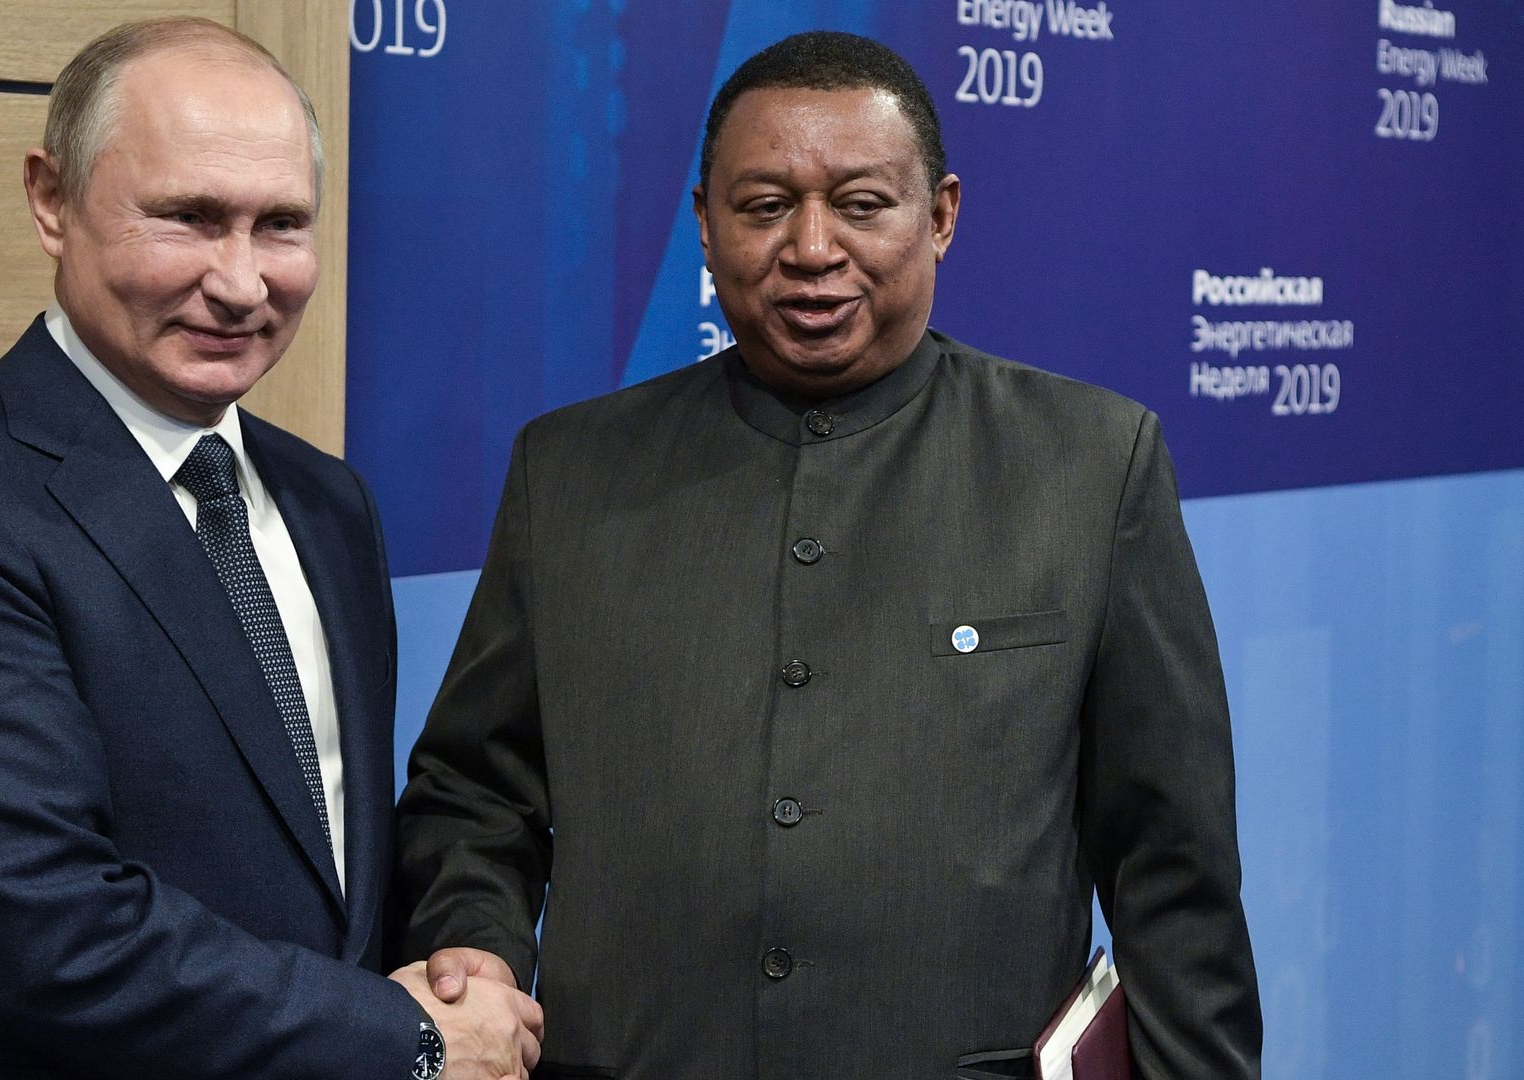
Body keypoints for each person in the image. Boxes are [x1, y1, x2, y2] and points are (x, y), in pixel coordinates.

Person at [394, 30, 1261, 1079]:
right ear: (705, 226)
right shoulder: (569, 472)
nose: (812, 249)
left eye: (861, 204)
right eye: (763, 206)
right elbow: (476, 791)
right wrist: (476, 954)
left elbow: (1174, 874)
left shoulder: (1092, 466)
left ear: (940, 216)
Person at [0, 18, 540, 1079]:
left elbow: (334, 868)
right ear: (53, 199)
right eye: (189, 218)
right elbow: (44, 937)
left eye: (281, 224)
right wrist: (408, 1040)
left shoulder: (328, 503)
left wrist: (466, 964)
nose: (241, 283)